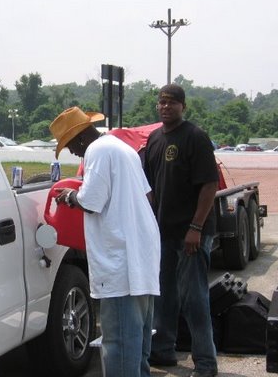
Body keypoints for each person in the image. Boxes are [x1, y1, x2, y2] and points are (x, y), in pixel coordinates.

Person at [50, 106, 161, 377]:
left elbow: (92, 201)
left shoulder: (96, 151)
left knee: (120, 342)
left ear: (79, 138)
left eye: (69, 146)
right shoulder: (123, 148)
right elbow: (147, 196)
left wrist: (68, 196)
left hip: (120, 259)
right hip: (141, 253)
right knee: (138, 341)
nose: (72, 153)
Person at [144, 84, 219, 377]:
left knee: (194, 298)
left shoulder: (195, 138)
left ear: (183, 107)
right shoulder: (153, 139)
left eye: (172, 103)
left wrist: (196, 228)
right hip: (164, 233)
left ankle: (205, 363)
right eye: (162, 102)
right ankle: (163, 350)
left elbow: (209, 184)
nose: (165, 107)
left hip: (192, 233)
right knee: (164, 295)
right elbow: (148, 186)